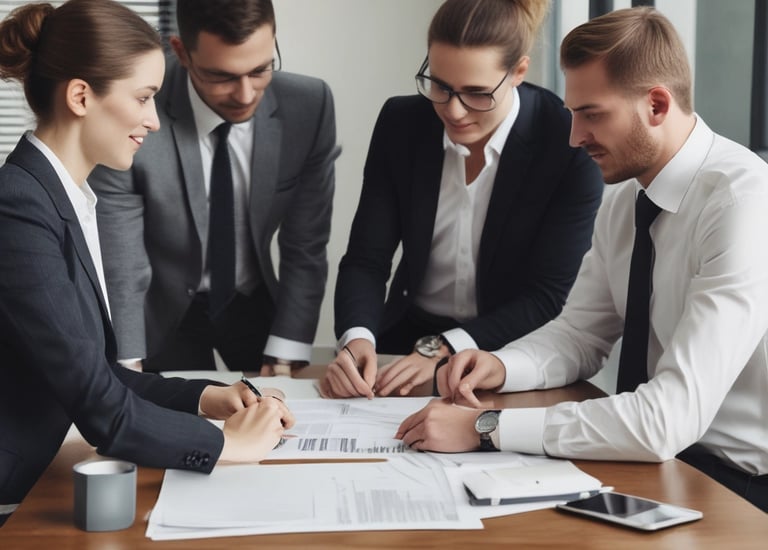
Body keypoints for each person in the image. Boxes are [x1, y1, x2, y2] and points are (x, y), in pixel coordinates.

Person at [396, 7, 768, 513]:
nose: (574, 137)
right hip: (659, 460)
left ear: (656, 104)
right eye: (573, 114)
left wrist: (485, 427)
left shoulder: (742, 202)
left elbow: (666, 420)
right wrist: (500, 365)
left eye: (591, 114)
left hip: (735, 485)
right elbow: (580, 334)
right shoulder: (624, 198)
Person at [0, 0, 294, 527]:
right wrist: (225, 444)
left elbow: (99, 376)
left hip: (40, 475)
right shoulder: (18, 208)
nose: (154, 121)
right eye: (143, 97)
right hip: (14, 495)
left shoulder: (62, 199)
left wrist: (208, 397)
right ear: (81, 96)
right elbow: (100, 407)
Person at [322, 0, 603, 399]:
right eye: (439, 85)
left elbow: (547, 296)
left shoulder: (566, 143)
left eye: (475, 93)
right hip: (404, 342)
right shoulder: (402, 122)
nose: (452, 111)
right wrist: (356, 337)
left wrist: (442, 347)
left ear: (518, 72)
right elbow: (367, 259)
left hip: (508, 352)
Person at [89, 0, 338, 374]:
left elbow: (305, 245)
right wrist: (127, 362)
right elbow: (121, 257)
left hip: (253, 301)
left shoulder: (309, 105)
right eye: (222, 76)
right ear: (181, 53)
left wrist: (286, 350)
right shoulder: (132, 106)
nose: (245, 94)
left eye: (260, 70)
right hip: (159, 309)